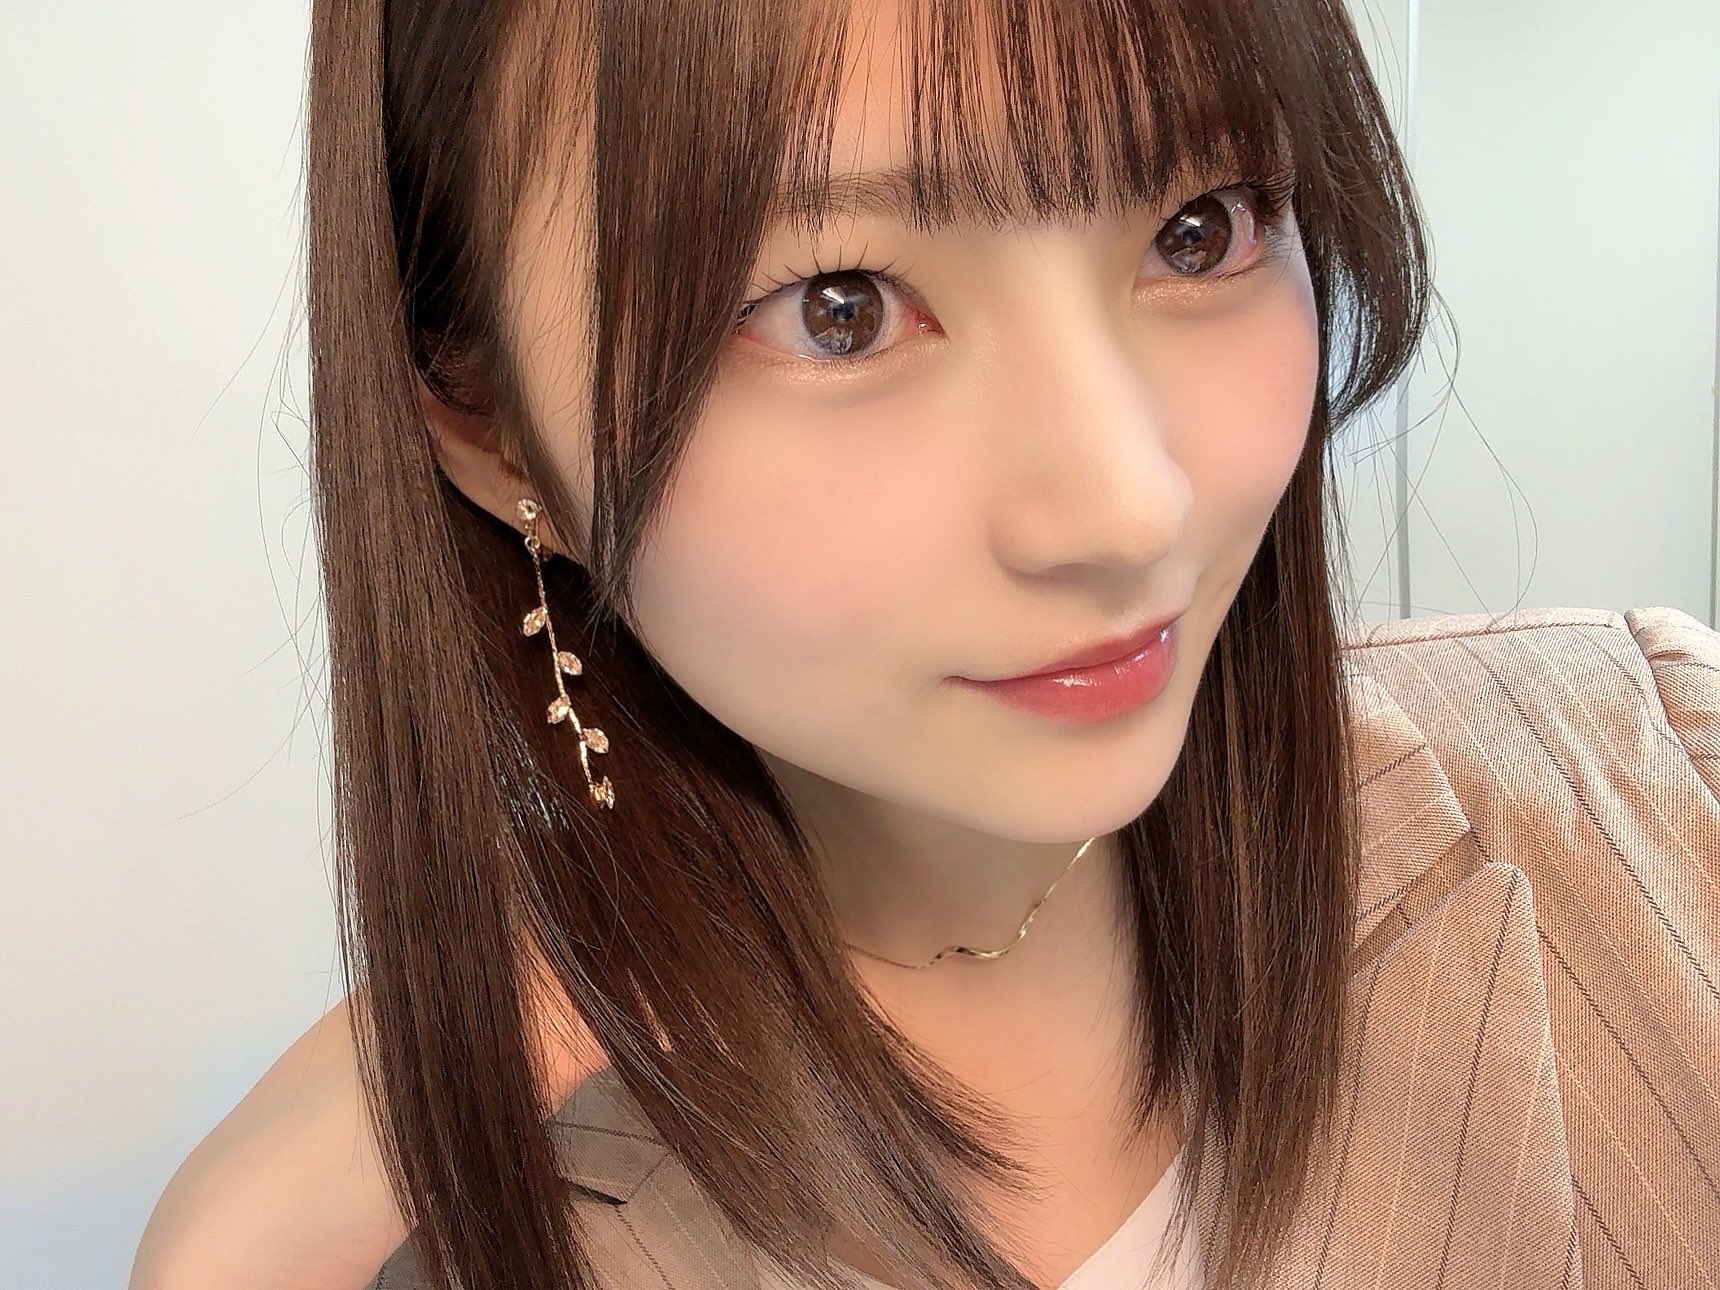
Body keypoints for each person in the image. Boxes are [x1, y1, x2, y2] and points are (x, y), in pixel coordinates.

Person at [131, 0, 1720, 1287]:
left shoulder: (1661, 791)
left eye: (1199, 227)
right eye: (840, 306)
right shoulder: (458, 1230)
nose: (1130, 503)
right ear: (484, 418)